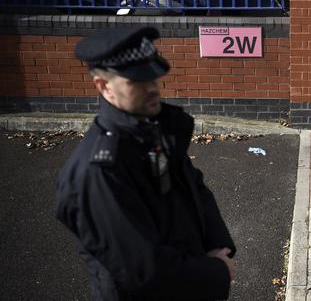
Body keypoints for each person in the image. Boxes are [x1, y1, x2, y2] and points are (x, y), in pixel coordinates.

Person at [55, 27, 236, 300]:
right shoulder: (97, 173)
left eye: (153, 76)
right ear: (104, 87)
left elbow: (192, 188)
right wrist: (215, 271)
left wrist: (217, 245)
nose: (152, 87)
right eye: (136, 81)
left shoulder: (150, 131)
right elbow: (142, 269)